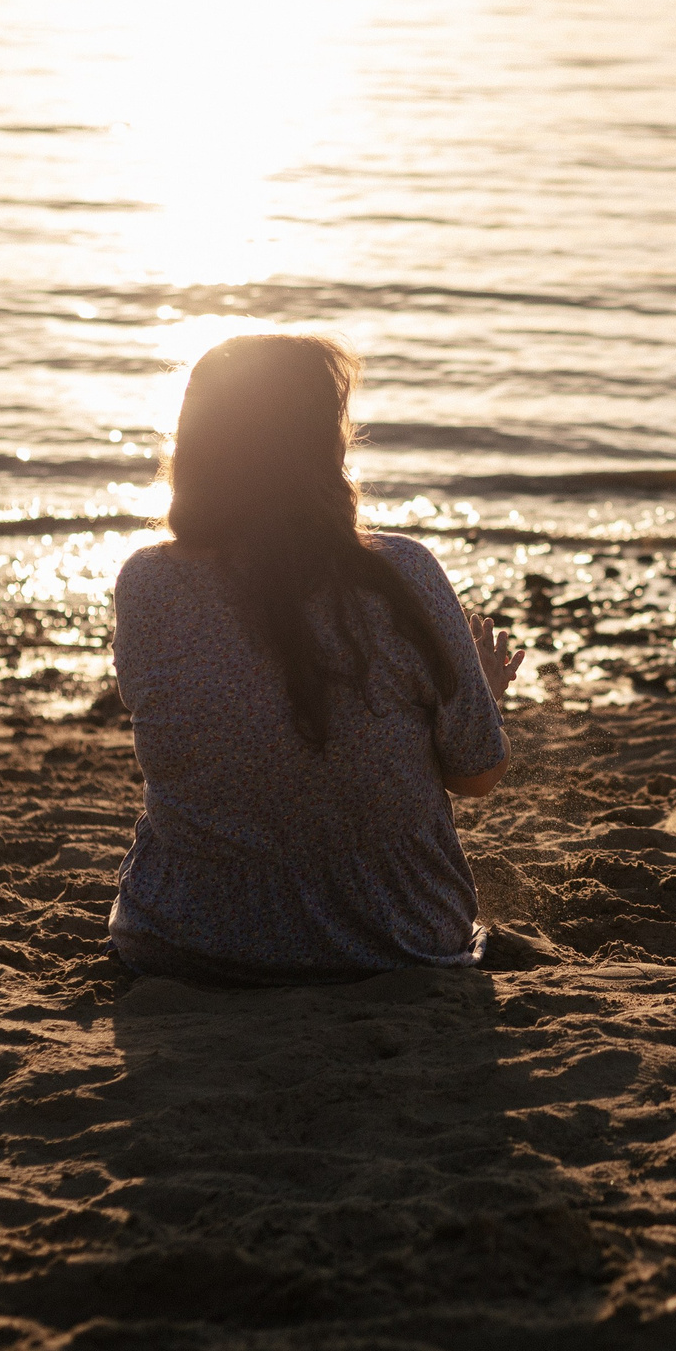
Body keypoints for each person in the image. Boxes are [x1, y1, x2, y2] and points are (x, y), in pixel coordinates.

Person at [106, 333, 526, 985]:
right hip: (397, 944)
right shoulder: (401, 573)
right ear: (320, 445)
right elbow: (477, 773)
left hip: (188, 940)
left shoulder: (146, 583)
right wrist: (481, 694)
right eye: (338, 419)